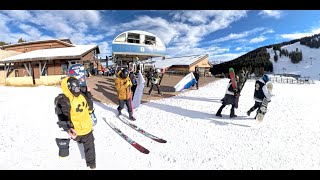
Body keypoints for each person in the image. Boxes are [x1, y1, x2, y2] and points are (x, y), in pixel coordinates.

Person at [54, 76, 96, 169]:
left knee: (90, 147)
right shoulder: (64, 99)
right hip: (75, 131)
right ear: (70, 88)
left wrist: (88, 93)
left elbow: (90, 108)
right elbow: (62, 116)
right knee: (87, 146)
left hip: (86, 129)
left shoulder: (82, 95)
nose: (78, 90)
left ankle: (91, 166)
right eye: (76, 88)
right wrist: (68, 128)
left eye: (78, 87)